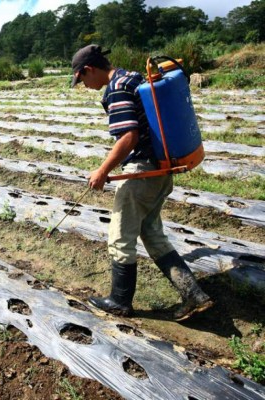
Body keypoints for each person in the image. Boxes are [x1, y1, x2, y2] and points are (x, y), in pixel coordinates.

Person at [70, 44, 214, 321]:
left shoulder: (116, 89)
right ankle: (194, 296)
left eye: (82, 80)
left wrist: (101, 171)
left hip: (141, 173)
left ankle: (119, 301)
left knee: (120, 238)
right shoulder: (134, 77)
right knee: (151, 232)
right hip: (161, 168)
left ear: (89, 70)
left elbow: (128, 137)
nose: (84, 85)